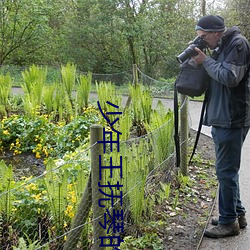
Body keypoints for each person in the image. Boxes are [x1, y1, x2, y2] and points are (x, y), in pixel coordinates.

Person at [192, 15, 250, 238]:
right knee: (227, 171)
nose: (203, 41)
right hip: (222, 117)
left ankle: (228, 223)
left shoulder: (238, 44)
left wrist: (205, 61)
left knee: (225, 171)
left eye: (204, 37)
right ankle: (237, 214)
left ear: (216, 32)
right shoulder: (221, 46)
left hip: (232, 118)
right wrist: (202, 60)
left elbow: (229, 77)